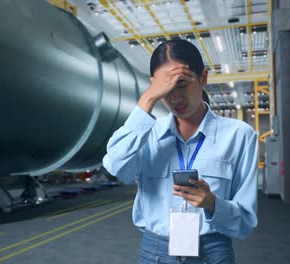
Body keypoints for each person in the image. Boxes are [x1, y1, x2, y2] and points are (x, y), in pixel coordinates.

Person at [103, 39, 258, 264]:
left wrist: (213, 203)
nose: (175, 98)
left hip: (212, 253)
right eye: (166, 89)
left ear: (203, 78)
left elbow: (246, 222)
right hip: (154, 253)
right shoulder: (146, 135)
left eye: (182, 85)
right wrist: (147, 99)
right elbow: (116, 167)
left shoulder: (239, 135)